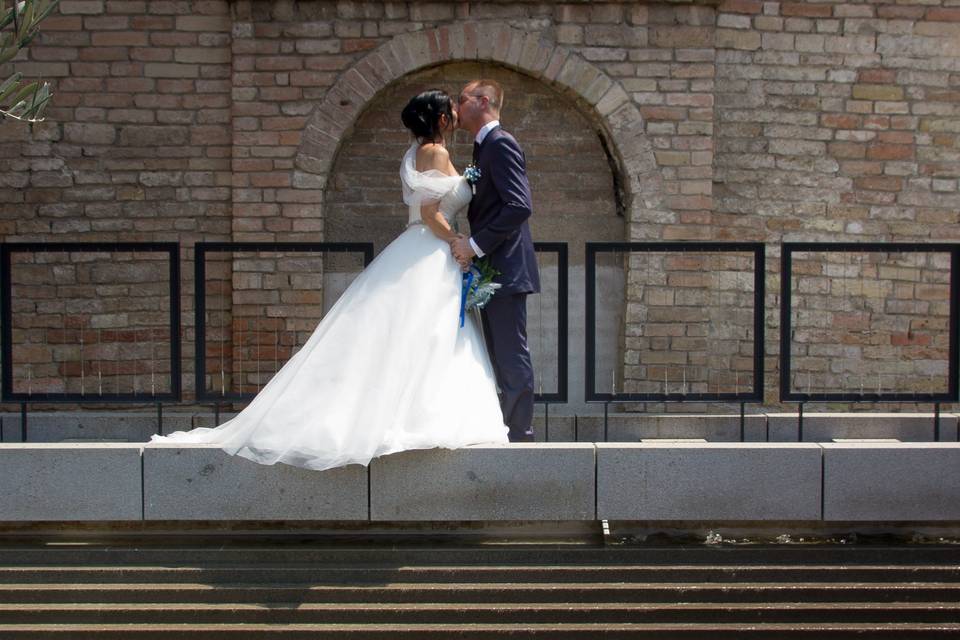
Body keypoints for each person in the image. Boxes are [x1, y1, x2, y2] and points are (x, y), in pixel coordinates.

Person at [150, 89, 509, 471]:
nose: (456, 113)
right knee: (430, 334)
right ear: (440, 119)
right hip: (432, 246)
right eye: (451, 109)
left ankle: (413, 412)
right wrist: (458, 243)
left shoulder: (418, 151)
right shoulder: (435, 153)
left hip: (422, 249)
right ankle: (421, 416)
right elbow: (429, 213)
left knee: (419, 334)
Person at [450, 79, 540, 442]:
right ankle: (508, 430)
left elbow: (519, 205)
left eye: (461, 99)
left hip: (506, 268)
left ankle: (521, 435)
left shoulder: (500, 143)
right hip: (494, 267)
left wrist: (474, 245)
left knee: (510, 354)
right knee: (501, 355)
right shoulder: (482, 147)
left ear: (483, 101)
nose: (455, 108)